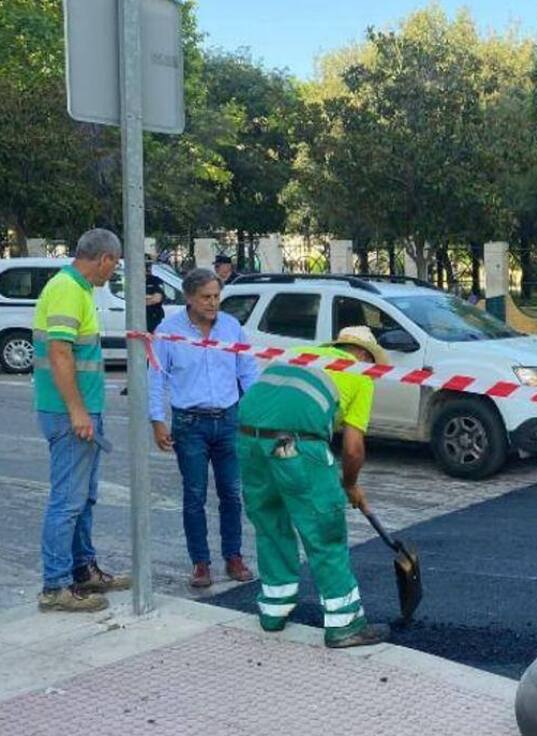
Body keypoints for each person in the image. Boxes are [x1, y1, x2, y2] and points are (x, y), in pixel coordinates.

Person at [236, 326, 392, 649]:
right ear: (363, 355)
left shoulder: (298, 355)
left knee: (269, 523)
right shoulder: (359, 374)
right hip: (295, 444)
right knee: (325, 529)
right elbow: (352, 449)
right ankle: (345, 624)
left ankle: (273, 611)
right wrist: (350, 485)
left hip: (248, 439)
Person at [33, 228, 131, 612]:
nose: (113, 272)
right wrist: (77, 410)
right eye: (115, 265)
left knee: (83, 498)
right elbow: (59, 353)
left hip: (83, 411)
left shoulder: (78, 289)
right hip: (69, 413)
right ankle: (55, 586)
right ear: (104, 258)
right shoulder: (67, 289)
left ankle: (83, 571)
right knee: (67, 502)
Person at [149, 268, 259, 588]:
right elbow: (154, 378)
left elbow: (248, 373)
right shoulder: (168, 331)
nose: (213, 303)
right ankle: (200, 562)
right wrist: (157, 421)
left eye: (216, 297)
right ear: (189, 298)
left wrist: (256, 413)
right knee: (194, 495)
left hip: (228, 420)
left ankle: (233, 556)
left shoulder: (232, 327)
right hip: (190, 424)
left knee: (231, 494)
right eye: (206, 297)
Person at [144, 261, 166, 332]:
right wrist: (148, 297)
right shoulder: (132, 280)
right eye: (145, 267)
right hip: (138, 318)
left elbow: (156, 299)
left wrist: (139, 301)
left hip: (153, 317)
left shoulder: (155, 280)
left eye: (149, 267)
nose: (148, 269)